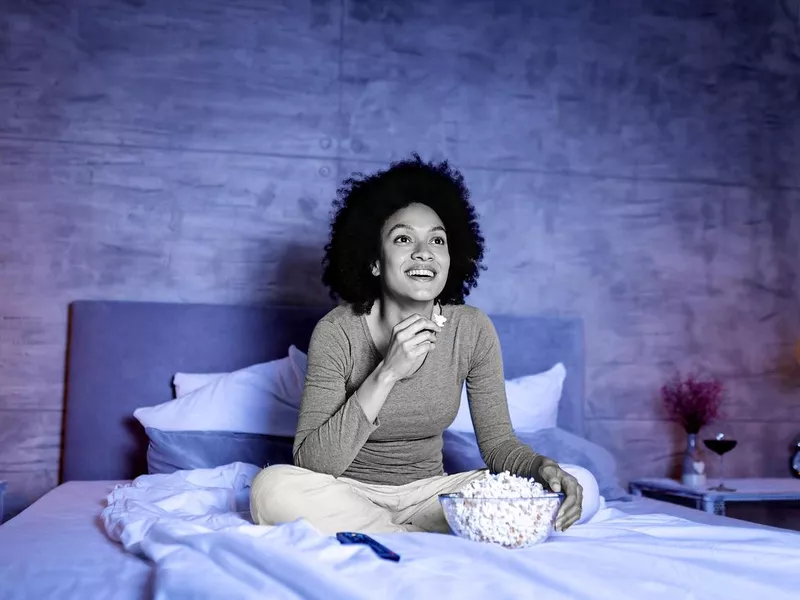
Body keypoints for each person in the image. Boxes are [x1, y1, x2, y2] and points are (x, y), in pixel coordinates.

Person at [250, 154, 596, 535]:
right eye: (403, 238)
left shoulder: (472, 328)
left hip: (433, 494)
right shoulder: (337, 332)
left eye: (437, 239)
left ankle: (392, 528)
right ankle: (417, 532)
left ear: (452, 258)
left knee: (580, 483)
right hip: (346, 492)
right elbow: (313, 464)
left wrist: (541, 467)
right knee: (272, 490)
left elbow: (497, 444)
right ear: (374, 262)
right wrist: (386, 372)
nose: (423, 252)